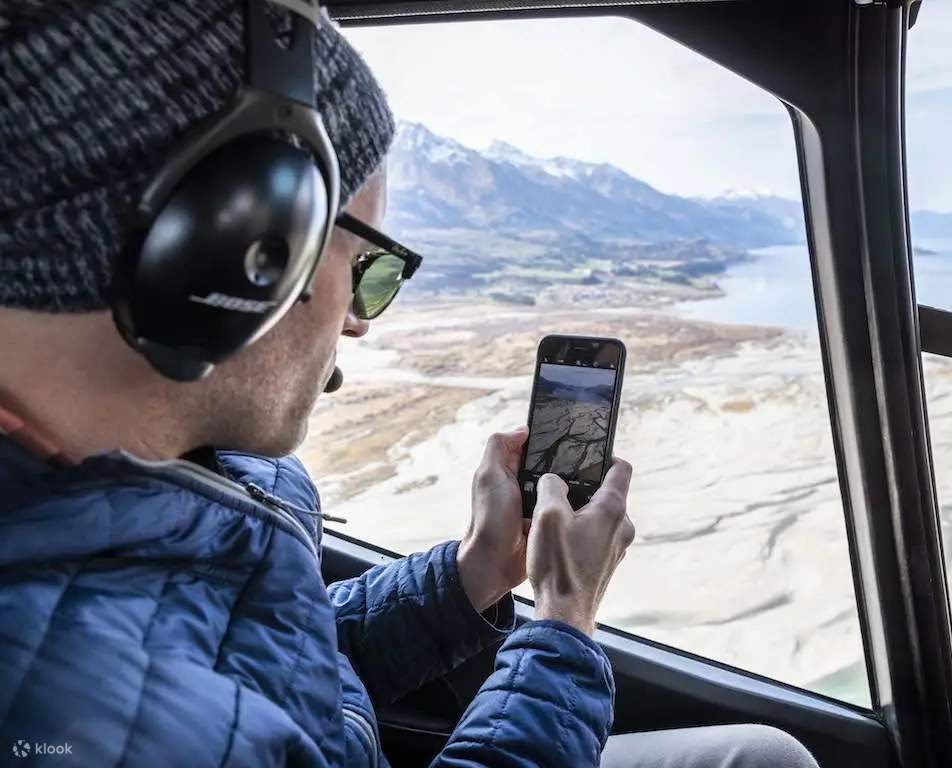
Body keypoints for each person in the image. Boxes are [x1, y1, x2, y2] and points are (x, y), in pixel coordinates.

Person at [0, 2, 821, 767]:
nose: (360, 321)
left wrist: (472, 572)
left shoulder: (148, 487)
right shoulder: (80, 722)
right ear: (238, 254)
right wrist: (565, 621)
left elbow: (286, 664)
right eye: (365, 268)